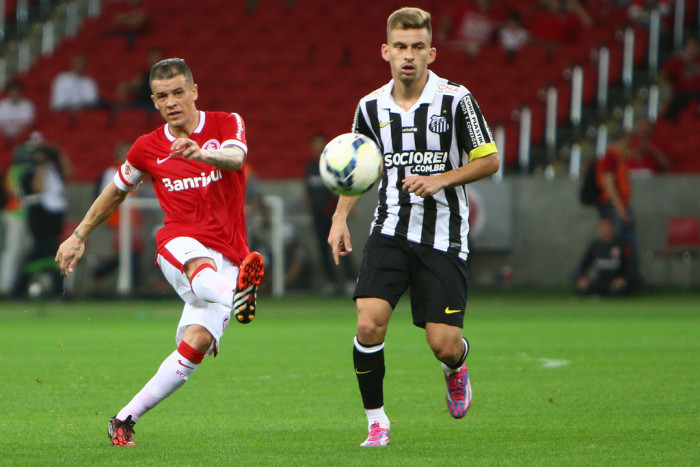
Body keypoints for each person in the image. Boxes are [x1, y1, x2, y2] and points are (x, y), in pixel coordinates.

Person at [54, 58, 264, 446]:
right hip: (178, 244)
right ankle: (238, 298)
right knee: (197, 265)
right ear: (153, 100)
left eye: (179, 92)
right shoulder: (147, 147)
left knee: (197, 342)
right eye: (163, 96)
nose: (172, 101)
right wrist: (79, 235)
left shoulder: (226, 123)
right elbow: (116, 190)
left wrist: (202, 154)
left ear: (194, 91)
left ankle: (124, 419)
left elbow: (236, 158)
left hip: (231, 255)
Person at [328, 8, 500, 447]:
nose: (409, 56)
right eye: (400, 47)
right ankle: (376, 421)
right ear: (386, 51)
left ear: (431, 52)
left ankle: (455, 368)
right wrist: (340, 217)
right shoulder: (369, 107)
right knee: (369, 324)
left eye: (417, 47)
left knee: (443, 343)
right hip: (390, 229)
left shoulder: (456, 99)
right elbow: (360, 170)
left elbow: (490, 159)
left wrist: (441, 178)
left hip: (444, 234)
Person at [304, 131, 357, 295]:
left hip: (334, 215)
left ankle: (350, 280)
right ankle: (331, 282)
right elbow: (308, 192)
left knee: (343, 246)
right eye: (315, 143)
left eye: (321, 143)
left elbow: (344, 187)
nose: (318, 146)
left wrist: (347, 208)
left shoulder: (335, 164)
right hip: (318, 215)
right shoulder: (311, 167)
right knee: (323, 248)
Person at [21, 132, 72, 298]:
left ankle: (21, 288)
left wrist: (57, 154)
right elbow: (37, 187)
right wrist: (41, 165)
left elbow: (69, 171)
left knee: (43, 253)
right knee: (46, 253)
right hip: (40, 218)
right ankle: (57, 290)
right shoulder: (28, 171)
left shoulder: (54, 170)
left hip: (54, 218)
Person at [596, 132, 641, 290]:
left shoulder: (617, 157)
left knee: (625, 246)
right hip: (615, 207)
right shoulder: (611, 157)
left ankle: (626, 280)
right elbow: (609, 183)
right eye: (627, 142)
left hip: (619, 206)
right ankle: (623, 281)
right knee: (622, 247)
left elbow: (636, 156)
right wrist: (621, 209)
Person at [573, 216, 631, 296]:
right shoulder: (595, 246)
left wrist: (623, 280)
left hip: (616, 281)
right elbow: (584, 264)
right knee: (581, 290)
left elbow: (631, 265)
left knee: (618, 291)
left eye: (607, 228)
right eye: (602, 228)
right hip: (600, 282)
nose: (605, 231)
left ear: (612, 229)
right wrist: (582, 278)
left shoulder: (622, 245)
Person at [660, 36, 700, 121]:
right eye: (691, 46)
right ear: (685, 47)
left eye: (695, 46)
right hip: (681, 94)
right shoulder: (676, 61)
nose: (694, 48)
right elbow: (664, 75)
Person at [0, 79, 35, 143]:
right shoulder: (2, 104)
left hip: (21, 135)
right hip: (4, 135)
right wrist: (6, 135)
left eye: (16, 91)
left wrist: (15, 135)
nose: (14, 93)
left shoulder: (27, 105)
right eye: (12, 91)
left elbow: (26, 125)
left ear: (20, 92)